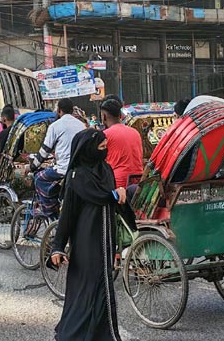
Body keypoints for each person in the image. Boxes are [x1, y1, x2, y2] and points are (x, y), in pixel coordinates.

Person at [48, 129, 130, 341]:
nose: (105, 151)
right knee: (88, 288)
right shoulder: (77, 176)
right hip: (86, 241)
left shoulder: (106, 169)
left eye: (105, 147)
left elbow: (111, 201)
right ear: (88, 149)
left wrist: (121, 195)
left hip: (106, 237)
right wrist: (57, 247)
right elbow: (67, 215)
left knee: (103, 286)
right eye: (101, 147)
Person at [30, 98, 85, 217]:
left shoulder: (55, 126)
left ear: (59, 111)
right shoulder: (81, 125)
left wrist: (33, 166)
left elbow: (45, 151)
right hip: (80, 168)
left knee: (39, 179)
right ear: (72, 110)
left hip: (63, 169)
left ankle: (48, 211)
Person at [100, 99, 143, 189]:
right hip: (139, 181)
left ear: (104, 116)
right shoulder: (135, 132)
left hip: (118, 183)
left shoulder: (105, 135)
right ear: (120, 115)